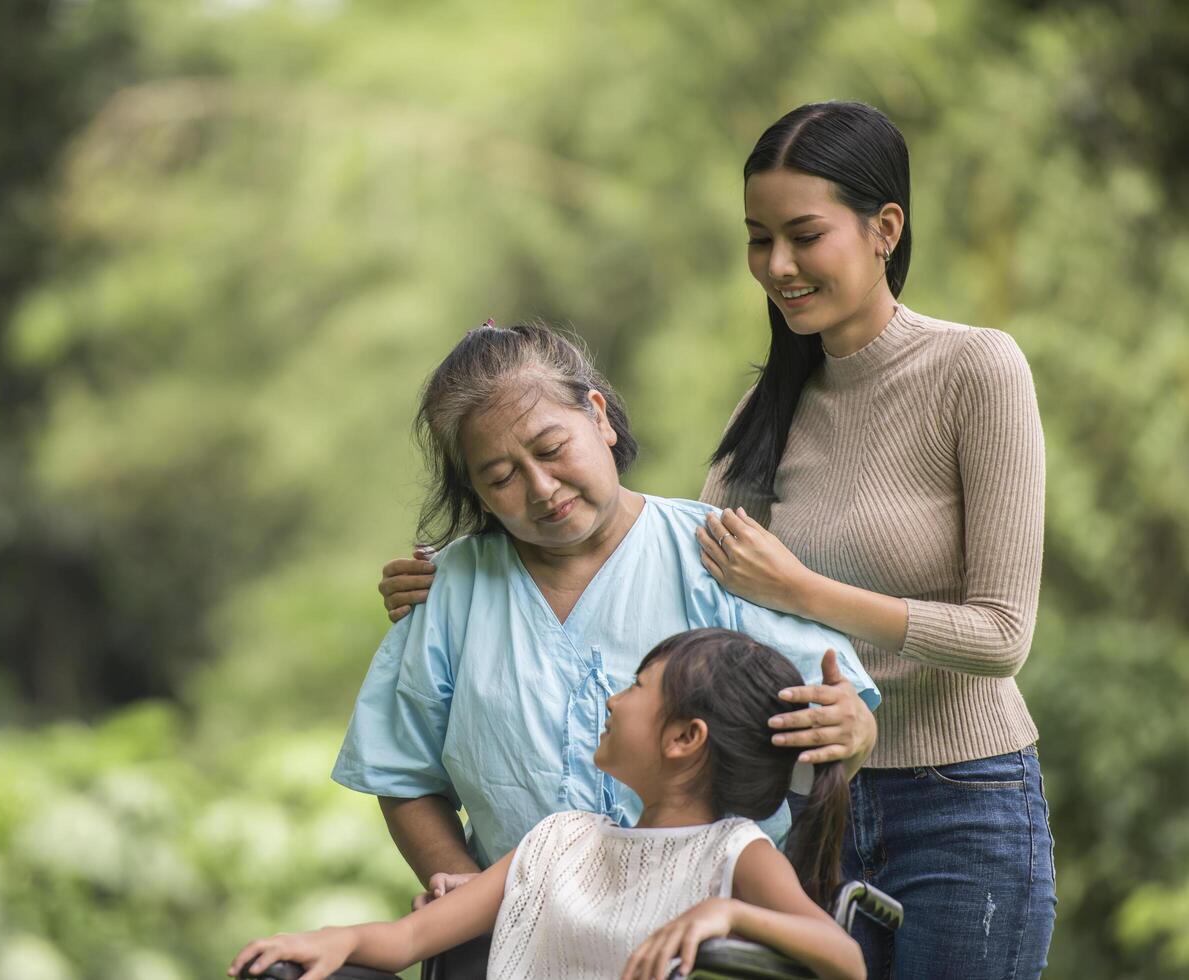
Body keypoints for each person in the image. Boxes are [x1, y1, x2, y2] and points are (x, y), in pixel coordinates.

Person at [384, 101, 1056, 978]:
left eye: (803, 235)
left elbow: (1002, 637)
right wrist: (466, 577)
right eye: (757, 238)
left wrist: (802, 590)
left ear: (884, 227)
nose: (777, 266)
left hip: (959, 803)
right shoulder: (762, 413)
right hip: (798, 820)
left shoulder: (976, 370)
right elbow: (664, 569)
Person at [336, 323, 880, 931]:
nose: (541, 489)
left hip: (707, 940)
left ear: (598, 416)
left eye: (549, 449)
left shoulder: (718, 556)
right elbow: (403, 770)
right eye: (500, 477)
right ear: (475, 490)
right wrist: (465, 895)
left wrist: (850, 727)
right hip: (523, 936)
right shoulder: (449, 591)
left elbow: (830, 721)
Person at [232, 629, 866, 980]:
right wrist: (334, 940)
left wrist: (728, 913)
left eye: (637, 687)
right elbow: (409, 939)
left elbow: (845, 960)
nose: (614, 701)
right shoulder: (559, 839)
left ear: (683, 739)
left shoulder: (734, 854)